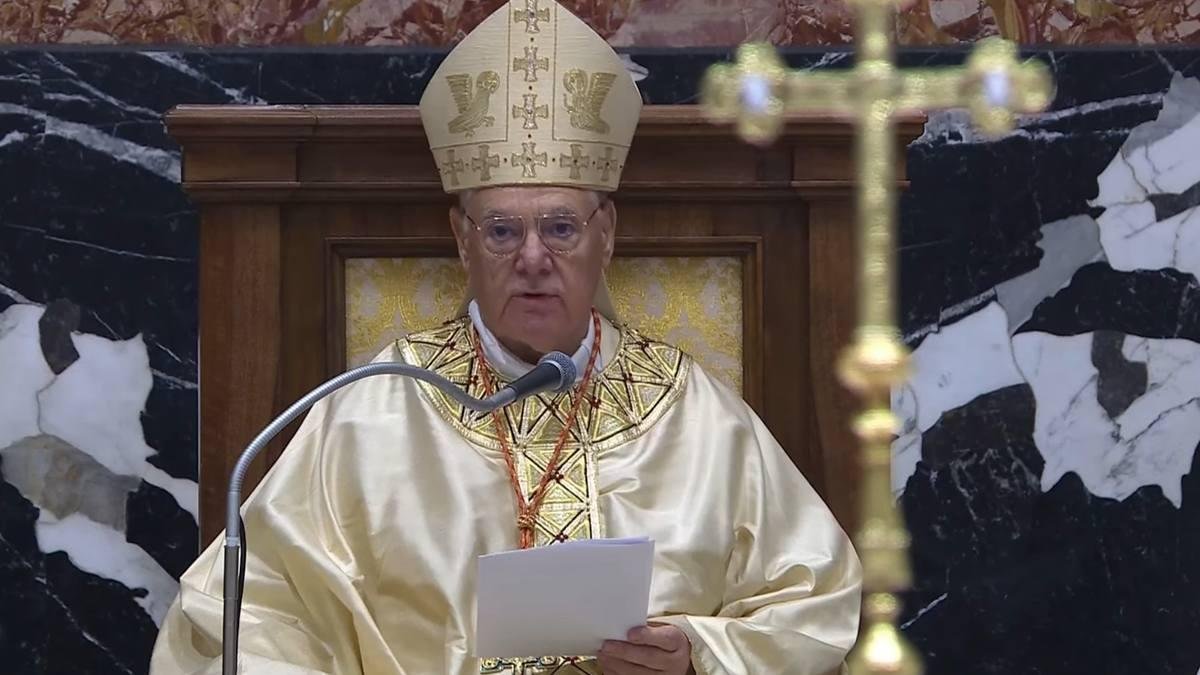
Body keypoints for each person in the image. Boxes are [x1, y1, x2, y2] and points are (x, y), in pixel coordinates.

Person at [150, 2, 862, 673]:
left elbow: (817, 600)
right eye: (501, 231)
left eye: (560, 227)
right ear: (462, 240)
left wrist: (695, 652)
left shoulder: (693, 415)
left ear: (606, 234)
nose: (532, 258)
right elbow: (245, 618)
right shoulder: (375, 408)